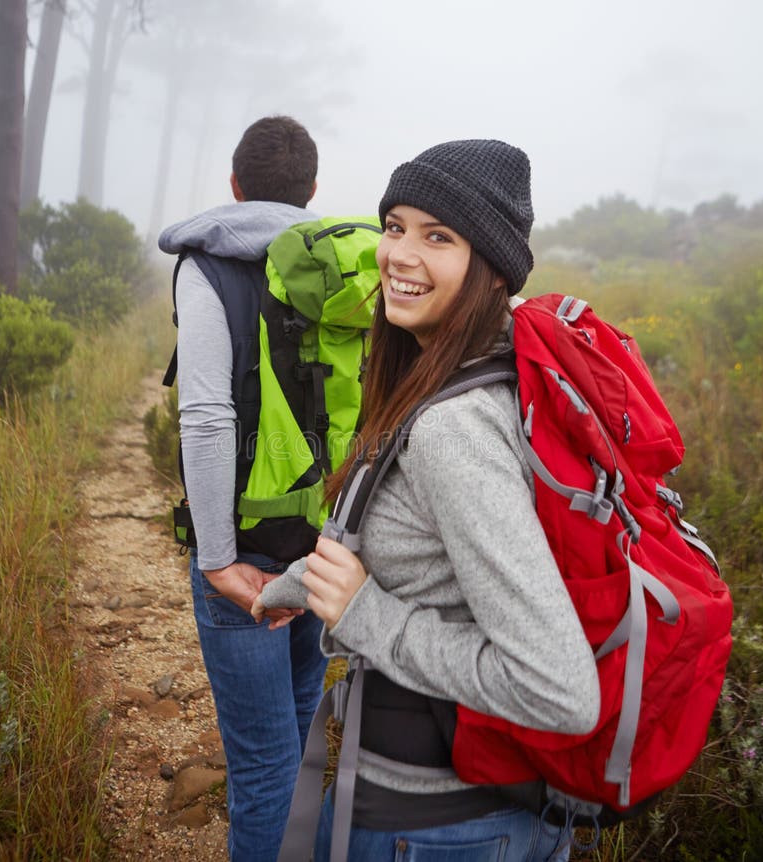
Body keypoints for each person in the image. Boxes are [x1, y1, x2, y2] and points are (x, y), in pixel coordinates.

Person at [253, 139, 601, 861]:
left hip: (444, 828)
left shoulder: (453, 427)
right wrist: (299, 585)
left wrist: (364, 614)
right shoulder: (473, 368)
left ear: (492, 268)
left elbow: (560, 691)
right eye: (395, 226)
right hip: (475, 815)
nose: (399, 255)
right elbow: (421, 536)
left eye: (438, 236)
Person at [157, 115, 328, 862]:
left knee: (264, 767)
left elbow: (205, 415)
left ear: (234, 186)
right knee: (302, 754)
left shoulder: (207, 265)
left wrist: (219, 560)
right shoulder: (342, 267)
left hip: (246, 558)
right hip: (323, 550)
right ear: (312, 191)